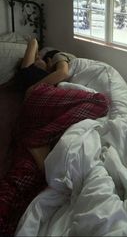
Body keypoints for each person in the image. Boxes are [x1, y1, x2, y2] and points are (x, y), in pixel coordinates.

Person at [0, 38, 111, 236]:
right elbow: (35, 43)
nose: (39, 60)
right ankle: (38, 142)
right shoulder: (28, 70)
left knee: (24, 177)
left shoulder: (39, 69)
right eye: (37, 59)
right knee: (100, 102)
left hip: (32, 121)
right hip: (39, 99)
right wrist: (40, 56)